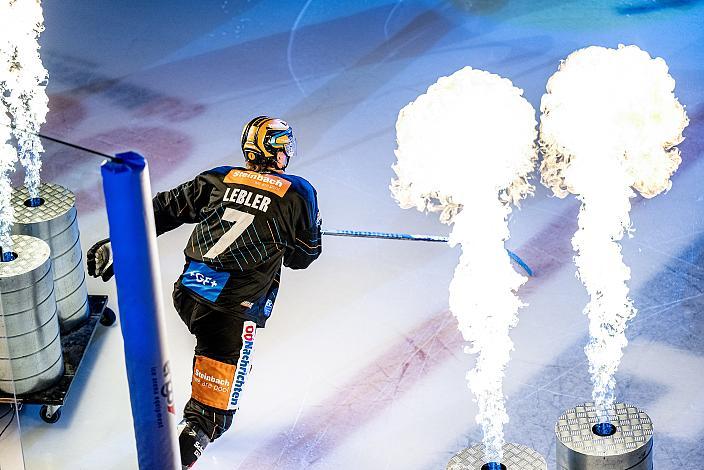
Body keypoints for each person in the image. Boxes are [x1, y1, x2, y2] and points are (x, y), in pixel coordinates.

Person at [87, 116, 322, 468]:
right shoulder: (299, 193)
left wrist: (119, 243)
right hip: (230, 313)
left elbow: (163, 209)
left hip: (188, 293)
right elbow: (303, 258)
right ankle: (187, 443)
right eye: (284, 143)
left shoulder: (221, 177)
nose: (288, 150)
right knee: (211, 416)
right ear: (273, 150)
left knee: (209, 339)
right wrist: (304, 231)